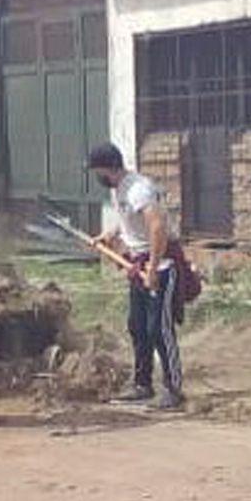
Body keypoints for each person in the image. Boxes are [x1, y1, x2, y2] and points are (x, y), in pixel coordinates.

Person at [87, 143, 185, 411]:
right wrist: (110, 235)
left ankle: (173, 388)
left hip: (159, 267)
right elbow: (129, 219)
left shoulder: (139, 188)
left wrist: (152, 269)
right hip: (137, 266)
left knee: (159, 330)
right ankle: (142, 384)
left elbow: (157, 226)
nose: (97, 176)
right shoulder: (119, 189)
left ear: (108, 168)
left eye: (98, 171)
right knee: (137, 326)